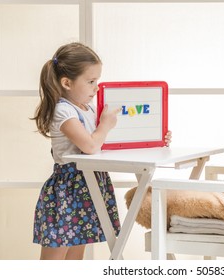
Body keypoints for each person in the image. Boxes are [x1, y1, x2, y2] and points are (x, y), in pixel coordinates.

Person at [32, 42, 171, 260]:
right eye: (90, 81)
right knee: (55, 258)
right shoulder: (63, 111)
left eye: (97, 80)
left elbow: (110, 140)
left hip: (89, 185)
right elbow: (89, 145)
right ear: (67, 83)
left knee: (76, 255)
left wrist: (156, 136)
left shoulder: (89, 109)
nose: (97, 87)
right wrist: (105, 125)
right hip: (68, 190)